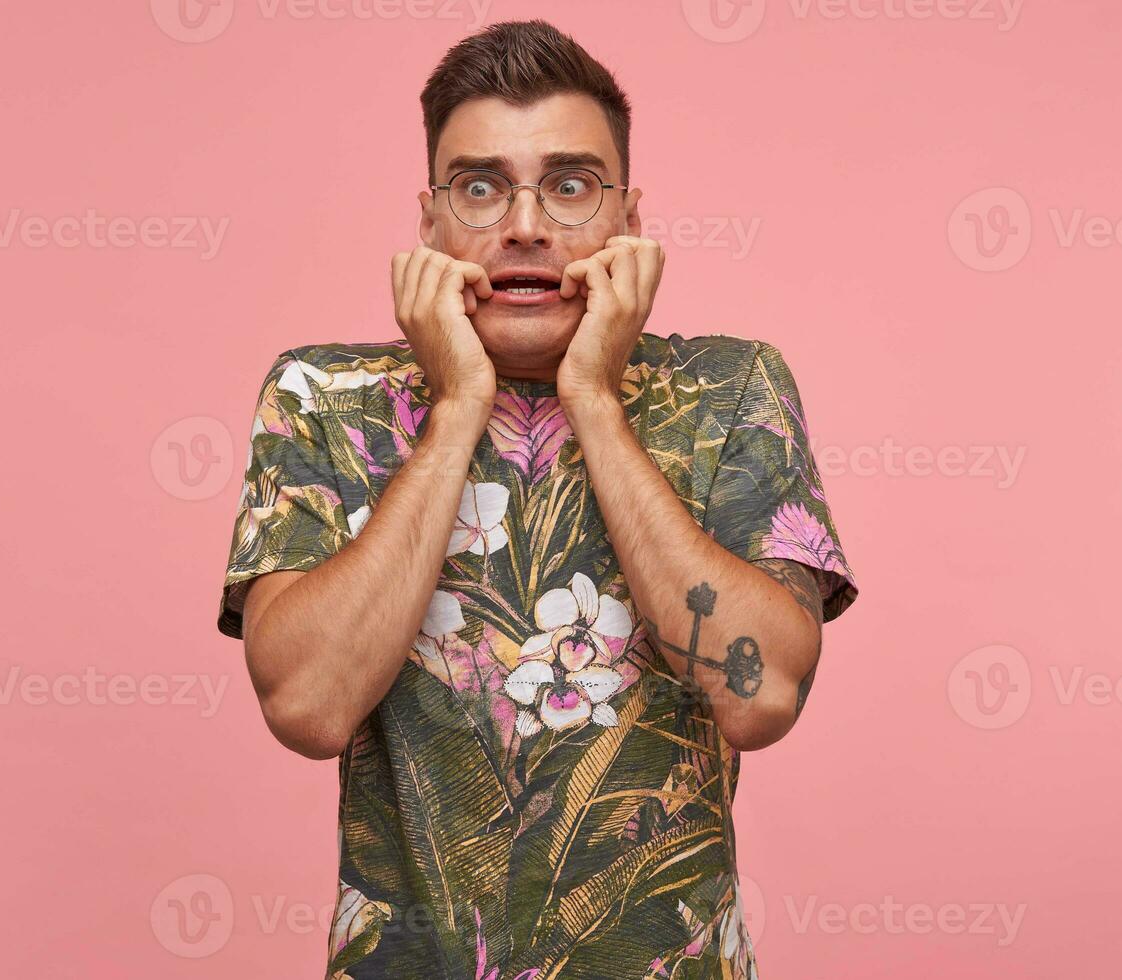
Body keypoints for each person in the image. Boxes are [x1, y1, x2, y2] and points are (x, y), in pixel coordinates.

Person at [214, 19, 858, 980]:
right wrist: (460, 402)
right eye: (479, 187)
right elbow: (309, 706)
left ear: (628, 220)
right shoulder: (322, 398)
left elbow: (760, 695)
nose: (524, 224)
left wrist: (593, 395)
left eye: (569, 184)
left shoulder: (729, 391)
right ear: (429, 223)